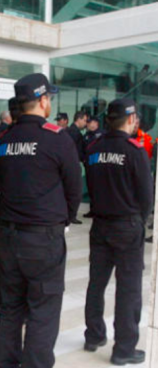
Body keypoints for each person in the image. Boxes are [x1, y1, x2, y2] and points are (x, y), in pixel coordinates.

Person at [0, 73, 82, 368]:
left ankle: (4, 364)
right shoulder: (56, 138)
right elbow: (73, 188)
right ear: (43, 101)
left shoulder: (4, 139)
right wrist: (65, 220)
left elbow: (0, 181)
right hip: (44, 238)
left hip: (8, 235)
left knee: (11, 307)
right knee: (43, 309)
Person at [83, 98, 153, 366]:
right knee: (128, 289)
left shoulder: (93, 148)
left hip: (100, 225)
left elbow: (89, 185)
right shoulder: (134, 151)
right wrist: (139, 220)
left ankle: (93, 335)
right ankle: (123, 349)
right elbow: (147, 197)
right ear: (132, 119)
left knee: (96, 283)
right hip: (126, 226)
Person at [0, 99, 18, 314]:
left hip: (6, 207)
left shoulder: (2, 138)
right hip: (30, 216)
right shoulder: (48, 137)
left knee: (2, 258)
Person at [66, 111, 88, 225]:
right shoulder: (76, 134)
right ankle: (71, 215)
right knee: (75, 192)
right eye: (84, 120)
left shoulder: (68, 131)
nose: (85, 123)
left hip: (67, 164)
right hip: (73, 164)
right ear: (78, 119)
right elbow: (77, 151)